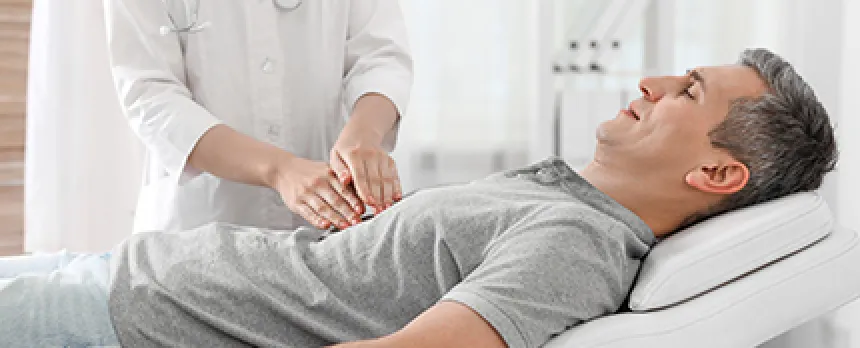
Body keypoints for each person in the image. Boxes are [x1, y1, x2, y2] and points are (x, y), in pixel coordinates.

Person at [0, 49, 837, 347]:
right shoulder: (559, 196)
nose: (652, 82)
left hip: (126, 322)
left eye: (688, 91)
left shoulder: (576, 243)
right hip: (131, 279)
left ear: (720, 175)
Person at [103, 0, 413, 233]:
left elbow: (380, 57)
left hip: (328, 226)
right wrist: (279, 170)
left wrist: (363, 136)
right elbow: (151, 97)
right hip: (200, 227)